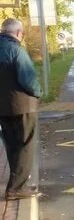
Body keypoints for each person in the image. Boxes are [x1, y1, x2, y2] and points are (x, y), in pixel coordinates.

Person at [0, 18, 42, 200]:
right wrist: (39, 93)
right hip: (22, 105)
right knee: (25, 145)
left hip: (2, 107)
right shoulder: (17, 50)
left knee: (11, 145)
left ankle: (15, 183)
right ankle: (16, 188)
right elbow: (29, 80)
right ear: (18, 33)